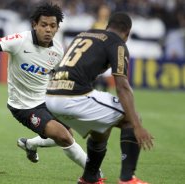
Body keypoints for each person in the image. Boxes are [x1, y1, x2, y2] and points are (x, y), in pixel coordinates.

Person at [0, 2, 92, 173]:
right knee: (63, 137)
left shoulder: (58, 50)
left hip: (46, 101)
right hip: (23, 106)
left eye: (52, 26)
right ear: (34, 25)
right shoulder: (20, 41)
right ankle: (94, 174)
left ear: (57, 28)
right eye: (43, 25)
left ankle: (30, 144)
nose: (48, 30)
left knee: (67, 135)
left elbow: (61, 76)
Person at [45, 12, 154, 184]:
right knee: (130, 117)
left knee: (102, 125)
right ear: (128, 33)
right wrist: (137, 126)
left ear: (107, 26)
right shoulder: (117, 43)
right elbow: (122, 87)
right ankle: (127, 179)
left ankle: (89, 178)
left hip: (51, 95)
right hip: (73, 97)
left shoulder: (85, 34)